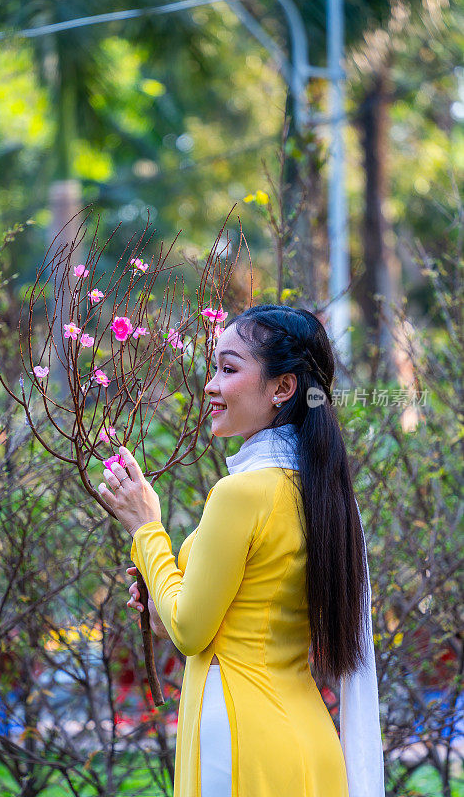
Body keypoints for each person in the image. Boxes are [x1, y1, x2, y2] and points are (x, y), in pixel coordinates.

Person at [99, 304, 385, 797]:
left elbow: (191, 632)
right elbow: (234, 619)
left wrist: (146, 526)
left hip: (241, 739)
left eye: (229, 369)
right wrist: (161, 603)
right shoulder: (317, 491)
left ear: (282, 388)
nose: (210, 385)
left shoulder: (242, 494)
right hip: (305, 736)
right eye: (215, 367)